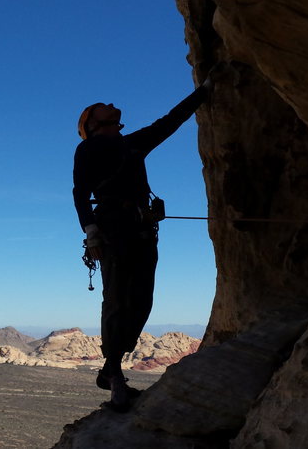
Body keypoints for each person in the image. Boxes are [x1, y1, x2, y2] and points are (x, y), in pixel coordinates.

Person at [72, 74, 214, 412]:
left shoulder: (133, 143)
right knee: (118, 299)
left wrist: (204, 92)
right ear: (92, 123)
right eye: (100, 107)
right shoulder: (88, 148)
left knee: (142, 301)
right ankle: (116, 377)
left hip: (141, 228)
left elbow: (170, 122)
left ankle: (110, 370)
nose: (109, 104)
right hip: (113, 229)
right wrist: (90, 232)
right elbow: (80, 193)